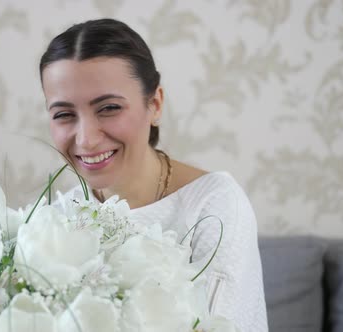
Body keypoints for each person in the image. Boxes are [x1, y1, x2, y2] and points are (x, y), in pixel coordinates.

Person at [39, 18, 268, 331]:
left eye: (108, 108)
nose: (86, 139)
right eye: (64, 115)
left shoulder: (213, 206)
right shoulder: (57, 218)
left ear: (155, 104)